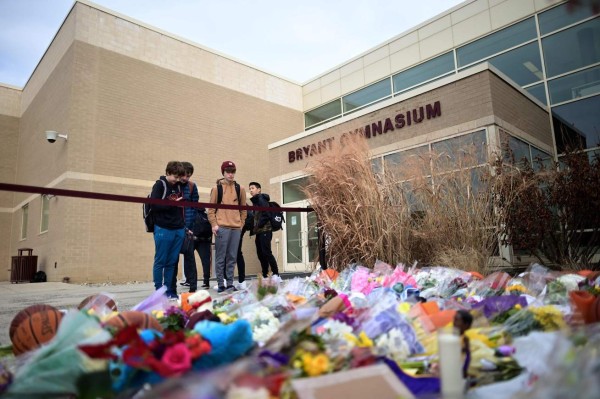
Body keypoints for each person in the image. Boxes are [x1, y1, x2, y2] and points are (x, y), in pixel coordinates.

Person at [207, 161, 247, 293]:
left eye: (233, 171)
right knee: (220, 257)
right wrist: (214, 224)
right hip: (222, 227)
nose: (231, 174)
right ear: (223, 173)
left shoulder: (240, 189)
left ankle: (230, 283)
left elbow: (244, 209)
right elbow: (211, 210)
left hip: (236, 228)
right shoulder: (216, 189)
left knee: (232, 257)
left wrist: (241, 224)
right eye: (228, 171)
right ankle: (220, 284)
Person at [150, 161, 185, 300]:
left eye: (179, 177)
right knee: (161, 260)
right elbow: (154, 205)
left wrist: (183, 226)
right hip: (163, 228)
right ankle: (159, 291)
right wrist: (172, 204)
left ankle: (169, 289)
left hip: (178, 228)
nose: (177, 180)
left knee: (172, 261)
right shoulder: (160, 185)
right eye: (175, 177)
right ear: (168, 173)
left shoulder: (178, 187)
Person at [248, 182, 280, 279]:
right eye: (250, 188)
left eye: (252, 188)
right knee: (260, 254)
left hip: (265, 230)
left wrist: (258, 225)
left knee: (266, 252)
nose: (251, 190)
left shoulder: (261, 199)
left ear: (259, 189)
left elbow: (266, 214)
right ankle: (265, 274)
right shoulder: (256, 201)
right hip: (259, 231)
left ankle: (276, 274)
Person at [178, 162, 199, 293]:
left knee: (190, 256)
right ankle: (170, 288)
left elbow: (195, 205)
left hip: (189, 228)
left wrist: (191, 225)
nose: (186, 178)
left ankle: (193, 286)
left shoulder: (192, 187)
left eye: (188, 176)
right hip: (175, 227)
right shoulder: (174, 186)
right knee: (173, 258)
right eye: (184, 175)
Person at [234, 208, 254, 290]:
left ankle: (226, 281)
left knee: (229, 255)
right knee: (238, 254)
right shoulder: (245, 206)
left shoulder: (237, 202)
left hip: (235, 229)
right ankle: (242, 282)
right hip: (240, 231)